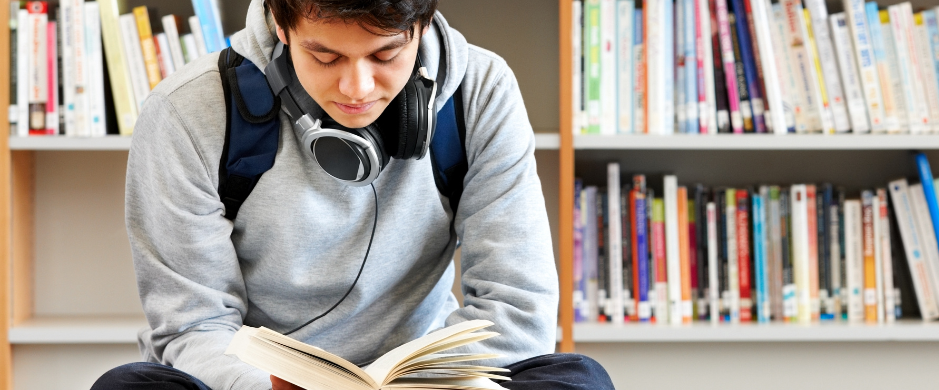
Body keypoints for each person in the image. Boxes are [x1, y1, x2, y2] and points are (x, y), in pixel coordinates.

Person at [91, 0, 613, 389]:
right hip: (258, 384)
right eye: (324, 56)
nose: (357, 88)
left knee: (578, 379)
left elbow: (517, 305)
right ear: (280, 23)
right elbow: (194, 325)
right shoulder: (185, 111)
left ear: (424, 25)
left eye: (386, 53)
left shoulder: (483, 90)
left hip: (428, 381)